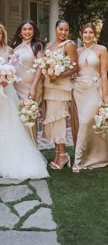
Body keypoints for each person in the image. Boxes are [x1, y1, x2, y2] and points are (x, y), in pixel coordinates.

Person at [0, 23, 48, 180]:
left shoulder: (9, 51)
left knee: (7, 124)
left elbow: (12, 71)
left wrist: (3, 80)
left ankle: (9, 159)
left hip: (6, 92)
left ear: (3, 35)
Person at [71, 23, 108, 172]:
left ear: (95, 35)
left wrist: (106, 96)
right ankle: (85, 156)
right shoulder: (77, 51)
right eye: (85, 32)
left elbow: (104, 74)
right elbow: (72, 70)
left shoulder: (102, 50)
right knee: (82, 124)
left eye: (90, 32)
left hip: (94, 89)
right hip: (79, 90)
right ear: (81, 34)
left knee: (87, 122)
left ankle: (78, 161)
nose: (87, 35)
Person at [43, 19, 78, 169]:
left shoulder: (69, 45)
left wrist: (60, 75)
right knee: (52, 120)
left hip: (61, 88)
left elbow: (75, 67)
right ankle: (57, 152)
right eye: (61, 29)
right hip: (49, 87)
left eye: (66, 30)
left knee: (59, 120)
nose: (63, 32)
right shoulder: (49, 45)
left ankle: (63, 155)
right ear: (55, 28)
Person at [11, 19, 44, 144]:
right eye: (24, 29)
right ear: (20, 31)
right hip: (15, 88)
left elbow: (40, 67)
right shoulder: (15, 45)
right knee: (17, 120)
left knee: (29, 118)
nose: (27, 32)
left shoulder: (37, 45)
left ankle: (32, 149)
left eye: (30, 29)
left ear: (34, 31)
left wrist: (34, 88)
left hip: (30, 87)